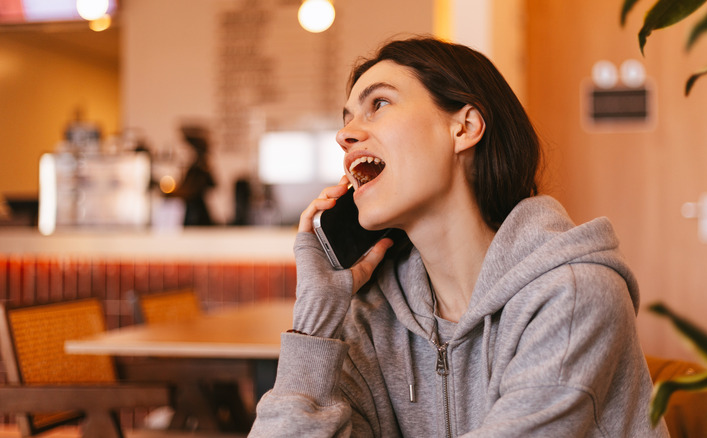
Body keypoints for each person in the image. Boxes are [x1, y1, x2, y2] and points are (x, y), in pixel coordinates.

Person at [249, 36, 669, 437]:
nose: (345, 135)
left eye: (379, 103)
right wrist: (315, 321)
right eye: (347, 120)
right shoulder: (372, 319)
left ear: (465, 127)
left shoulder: (574, 294)